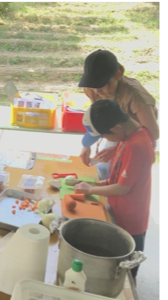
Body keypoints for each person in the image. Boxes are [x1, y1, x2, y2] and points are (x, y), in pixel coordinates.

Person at [75, 99, 155, 284]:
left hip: (130, 219)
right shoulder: (127, 136)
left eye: (104, 136)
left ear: (117, 127)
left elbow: (123, 188)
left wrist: (91, 189)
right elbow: (118, 178)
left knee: (126, 275)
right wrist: (97, 184)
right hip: (118, 210)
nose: (106, 140)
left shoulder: (137, 145)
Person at [78, 49, 160, 180]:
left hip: (139, 141)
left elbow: (152, 134)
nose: (97, 91)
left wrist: (118, 149)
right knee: (105, 169)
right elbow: (96, 116)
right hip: (117, 134)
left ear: (117, 75)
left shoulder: (136, 97)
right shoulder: (92, 88)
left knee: (126, 180)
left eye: (102, 85)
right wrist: (86, 145)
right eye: (93, 85)